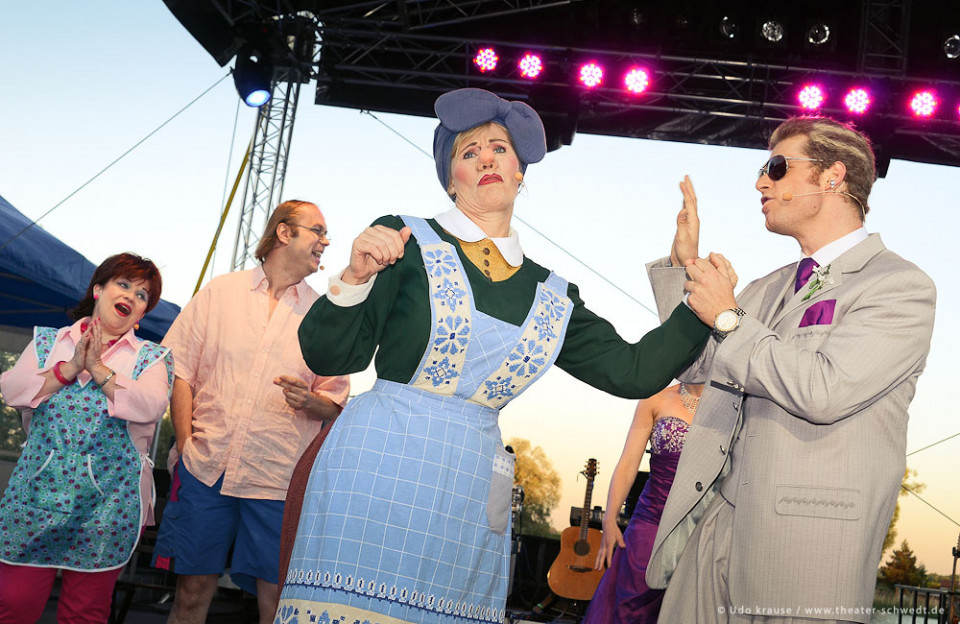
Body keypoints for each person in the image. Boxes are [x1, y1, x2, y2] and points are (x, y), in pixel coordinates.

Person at [275, 87, 712, 624]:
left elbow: (633, 371)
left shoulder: (552, 294)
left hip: (469, 483)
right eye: (469, 151)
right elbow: (328, 354)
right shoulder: (404, 240)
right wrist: (355, 276)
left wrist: (700, 298)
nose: (486, 158)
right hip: (377, 471)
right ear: (451, 178)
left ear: (520, 171)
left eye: (499, 148)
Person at [644, 118, 937, 623]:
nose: (761, 182)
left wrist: (729, 316)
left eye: (777, 167)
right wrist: (684, 268)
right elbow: (696, 368)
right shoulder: (768, 287)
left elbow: (823, 389)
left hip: (805, 550)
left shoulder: (899, 286)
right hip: (714, 531)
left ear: (833, 177)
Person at [152, 200, 350, 624]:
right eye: (317, 231)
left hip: (277, 478)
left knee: (276, 603)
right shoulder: (220, 292)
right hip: (207, 468)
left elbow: (334, 402)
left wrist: (308, 400)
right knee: (190, 594)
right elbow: (179, 371)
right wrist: (185, 444)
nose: (326, 241)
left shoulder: (323, 314)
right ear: (284, 232)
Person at [0, 253, 172, 624]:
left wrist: (97, 368)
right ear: (98, 289)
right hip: (36, 496)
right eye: (123, 284)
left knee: (85, 614)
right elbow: (13, 391)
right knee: (14, 603)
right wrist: (70, 368)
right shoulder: (48, 342)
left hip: (109, 504)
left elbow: (150, 406)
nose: (131, 296)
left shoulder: (152, 357)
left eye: (142, 295)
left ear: (142, 313)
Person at [582, 382, 704, 624]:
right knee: (631, 609)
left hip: (701, 529)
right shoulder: (655, 398)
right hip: (650, 524)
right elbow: (628, 463)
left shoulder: (731, 404)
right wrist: (610, 518)